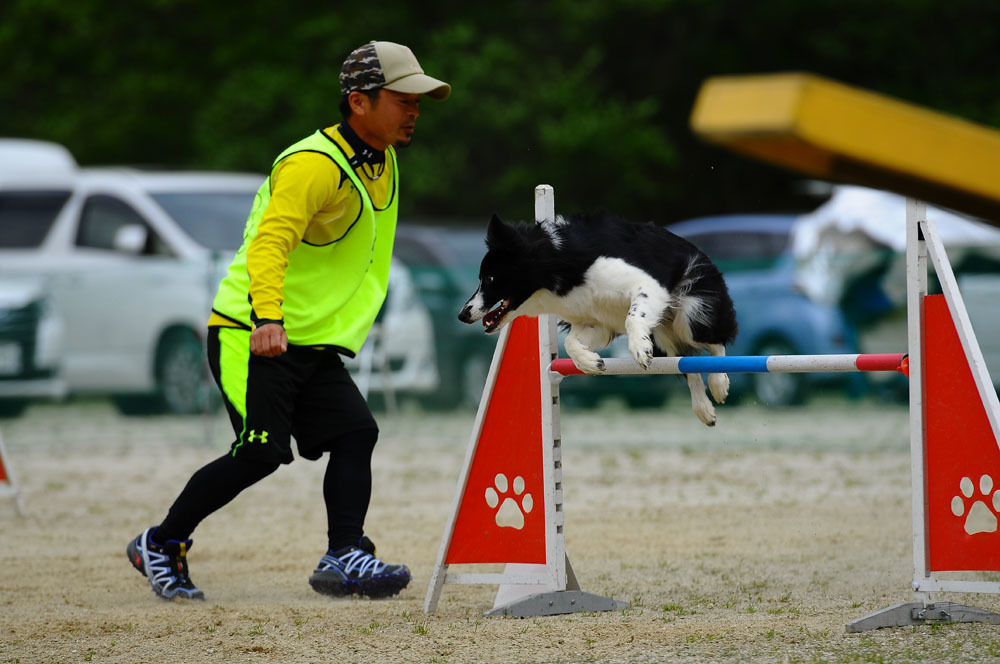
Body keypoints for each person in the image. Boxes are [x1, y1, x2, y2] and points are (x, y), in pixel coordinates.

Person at [126, 41, 450, 601]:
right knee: (259, 452)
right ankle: (162, 542)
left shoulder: (382, 157)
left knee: (357, 433)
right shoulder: (312, 165)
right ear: (359, 102)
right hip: (253, 331)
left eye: (418, 99)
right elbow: (270, 243)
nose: (415, 109)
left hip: (307, 338)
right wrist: (268, 319)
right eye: (403, 99)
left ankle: (345, 553)